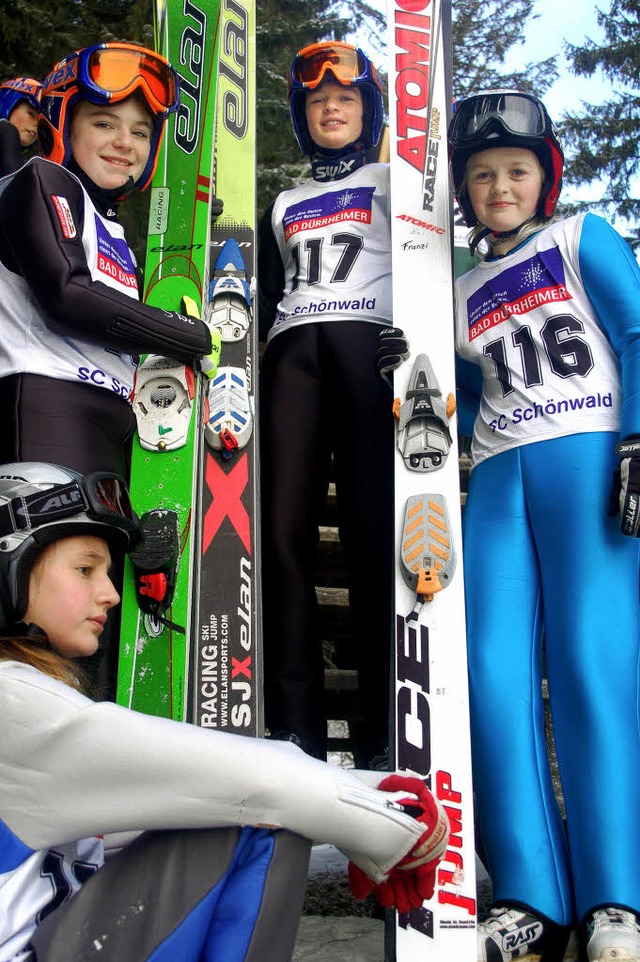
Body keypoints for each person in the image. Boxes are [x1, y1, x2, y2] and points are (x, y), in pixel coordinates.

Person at [0, 460, 450, 962]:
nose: (110, 592)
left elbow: (178, 797)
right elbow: (262, 784)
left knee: (226, 805)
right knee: (257, 816)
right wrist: (396, 826)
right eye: (85, 569)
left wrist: (374, 793)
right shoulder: (11, 700)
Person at [448, 89, 640, 962]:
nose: (499, 187)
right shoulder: (450, 286)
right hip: (495, 477)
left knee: (592, 668)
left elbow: (637, 330)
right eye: (482, 174)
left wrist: (639, 439)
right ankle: (530, 893)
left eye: (516, 171)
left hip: (586, 460)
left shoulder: (581, 237)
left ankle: (614, 899)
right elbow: (447, 400)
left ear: (545, 177)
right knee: (489, 674)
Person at [258, 41, 405, 764]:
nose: (331, 108)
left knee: (372, 532)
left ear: (368, 110)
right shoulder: (282, 201)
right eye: (317, 101)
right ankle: (296, 728)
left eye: (345, 99)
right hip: (292, 354)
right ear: (302, 116)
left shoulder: (394, 178)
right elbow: (262, 296)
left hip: (368, 349)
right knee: (280, 537)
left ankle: (384, 728)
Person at [0, 43, 217, 480]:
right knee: (68, 549)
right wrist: (186, 333)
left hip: (114, 416)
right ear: (63, 125)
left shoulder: (112, 231)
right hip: (46, 399)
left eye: (140, 132)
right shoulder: (39, 180)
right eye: (104, 123)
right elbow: (68, 296)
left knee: (98, 551)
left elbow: (115, 323)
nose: (124, 143)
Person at [0, 77, 42, 176]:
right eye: (31, 114)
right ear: (9, 106)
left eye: (41, 121)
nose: (37, 124)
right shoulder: (6, 130)